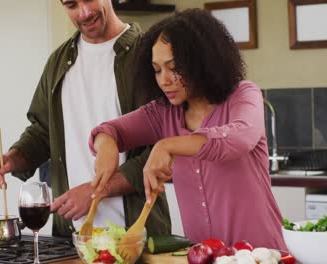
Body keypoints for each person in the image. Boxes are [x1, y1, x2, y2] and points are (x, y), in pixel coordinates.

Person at [89, 8, 286, 249]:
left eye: (174, 68)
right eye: (157, 69)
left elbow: (239, 138)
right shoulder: (163, 113)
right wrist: (106, 147)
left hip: (263, 254)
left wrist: (168, 145)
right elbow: (110, 131)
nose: (164, 80)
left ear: (202, 62)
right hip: (202, 256)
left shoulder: (243, 95)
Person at [0, 0, 171, 237]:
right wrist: (12, 158)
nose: (84, 12)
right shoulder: (58, 62)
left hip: (137, 237)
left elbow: (163, 150)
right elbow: (42, 132)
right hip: (70, 240)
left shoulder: (148, 57)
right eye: (71, 4)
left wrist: (96, 191)